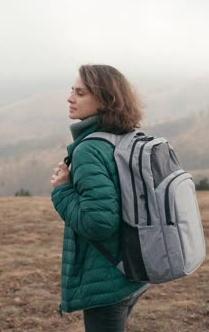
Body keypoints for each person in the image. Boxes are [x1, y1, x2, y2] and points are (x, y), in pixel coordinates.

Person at [50, 64, 149, 331]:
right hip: (133, 270)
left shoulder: (89, 150)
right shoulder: (126, 137)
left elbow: (99, 223)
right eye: (72, 90)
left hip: (107, 279)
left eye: (80, 93)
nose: (70, 98)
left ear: (106, 100)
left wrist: (62, 190)